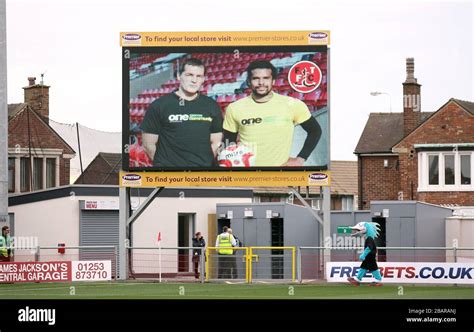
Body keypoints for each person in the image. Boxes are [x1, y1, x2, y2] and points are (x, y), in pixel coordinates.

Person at [223, 60, 322, 167]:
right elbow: (228, 142)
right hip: (247, 175)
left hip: (279, 175)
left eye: (266, 78)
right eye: (256, 78)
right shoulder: (234, 108)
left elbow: (315, 131)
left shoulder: (292, 104)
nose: (261, 83)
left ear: (273, 81)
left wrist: (301, 159)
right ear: (248, 82)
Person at [140, 58, 223, 167]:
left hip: (202, 175)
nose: (194, 80)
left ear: (203, 79)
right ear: (179, 76)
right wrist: (165, 166)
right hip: (171, 176)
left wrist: (203, 163)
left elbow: (216, 141)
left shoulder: (212, 105)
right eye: (189, 75)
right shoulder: (159, 105)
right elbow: (148, 144)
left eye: (199, 76)